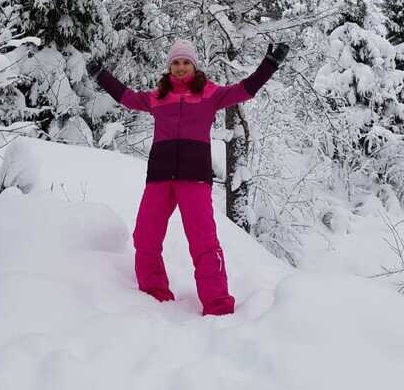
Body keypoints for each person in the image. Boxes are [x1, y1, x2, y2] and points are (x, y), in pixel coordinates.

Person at [85, 39, 290, 316]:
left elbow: (245, 90)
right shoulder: (157, 96)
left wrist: (269, 65)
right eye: (176, 63)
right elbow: (126, 97)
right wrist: (101, 76)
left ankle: (217, 304)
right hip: (159, 177)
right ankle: (153, 295)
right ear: (169, 67)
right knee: (145, 237)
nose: (181, 68)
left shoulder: (210, 94)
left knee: (203, 241)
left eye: (186, 63)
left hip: (194, 179)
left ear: (194, 66)